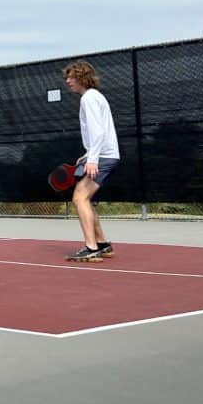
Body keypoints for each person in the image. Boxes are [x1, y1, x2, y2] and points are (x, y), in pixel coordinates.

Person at [63, 60, 120, 262]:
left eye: (71, 77)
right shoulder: (94, 97)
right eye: (67, 77)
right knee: (84, 199)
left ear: (81, 77)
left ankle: (91, 247)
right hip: (103, 154)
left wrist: (93, 158)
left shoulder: (89, 98)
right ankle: (102, 244)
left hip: (103, 156)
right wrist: (88, 154)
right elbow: (99, 132)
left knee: (79, 198)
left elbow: (98, 132)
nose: (68, 81)